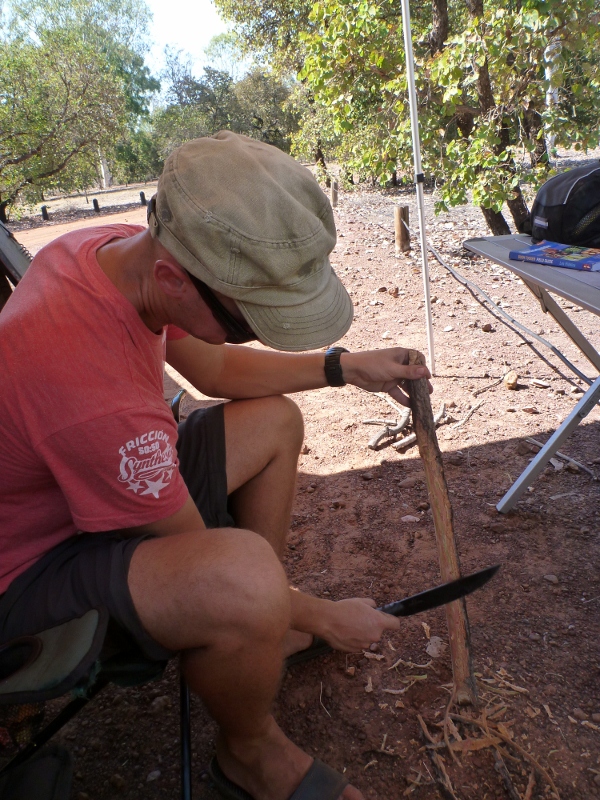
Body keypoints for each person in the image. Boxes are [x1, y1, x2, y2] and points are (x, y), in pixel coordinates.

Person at [0, 131, 431, 800]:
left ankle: (257, 636)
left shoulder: (114, 257)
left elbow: (216, 366)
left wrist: (343, 367)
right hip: (25, 574)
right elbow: (194, 547)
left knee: (273, 421)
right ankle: (250, 752)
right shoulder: (93, 391)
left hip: (90, 489)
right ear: (174, 278)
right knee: (243, 579)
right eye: (247, 320)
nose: (252, 334)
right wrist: (318, 615)